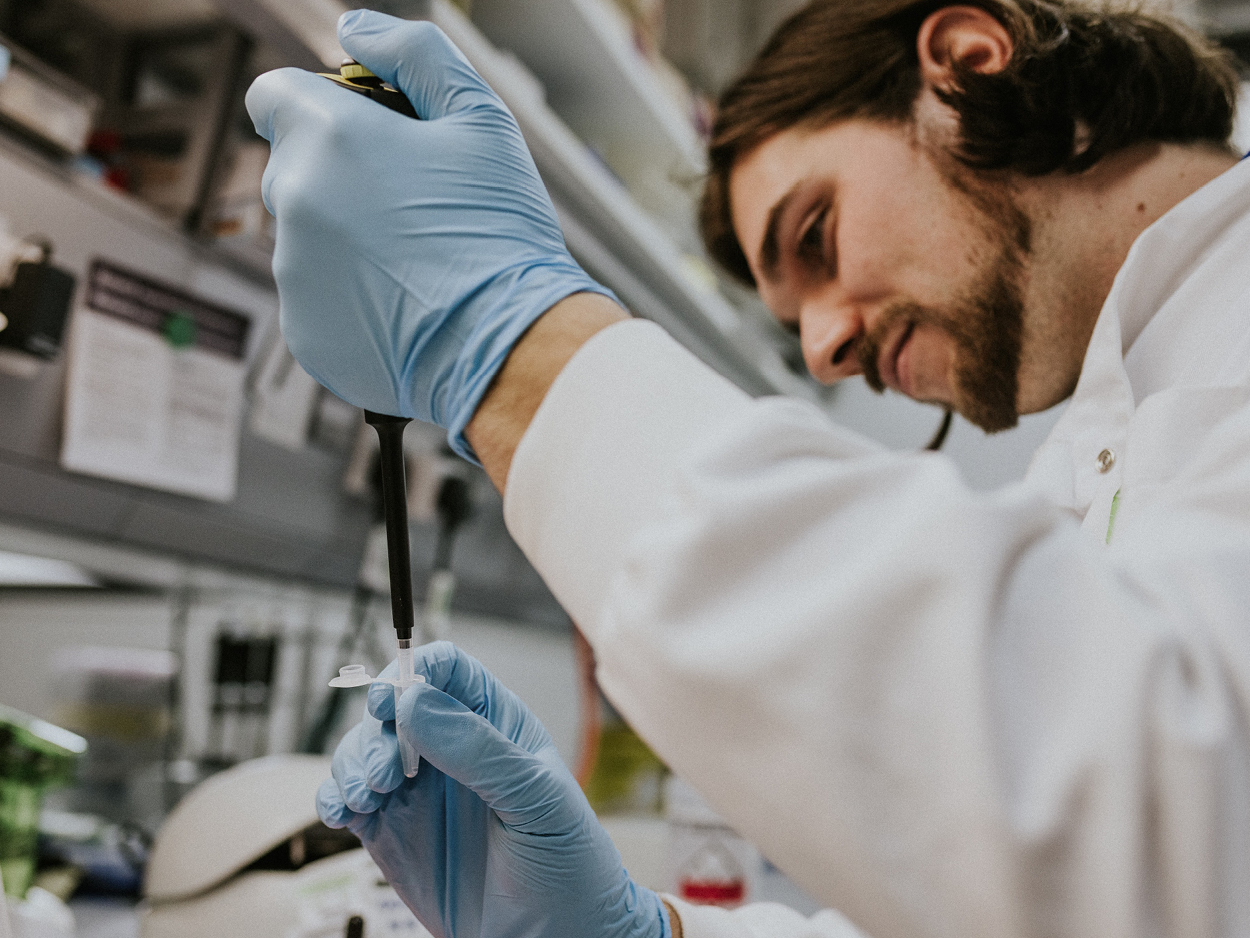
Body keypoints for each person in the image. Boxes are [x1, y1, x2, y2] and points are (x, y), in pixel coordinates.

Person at [244, 1, 1250, 935]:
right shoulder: (1110, 437)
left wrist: (510, 345)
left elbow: (1164, 811)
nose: (821, 350)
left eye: (813, 233)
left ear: (966, 66)